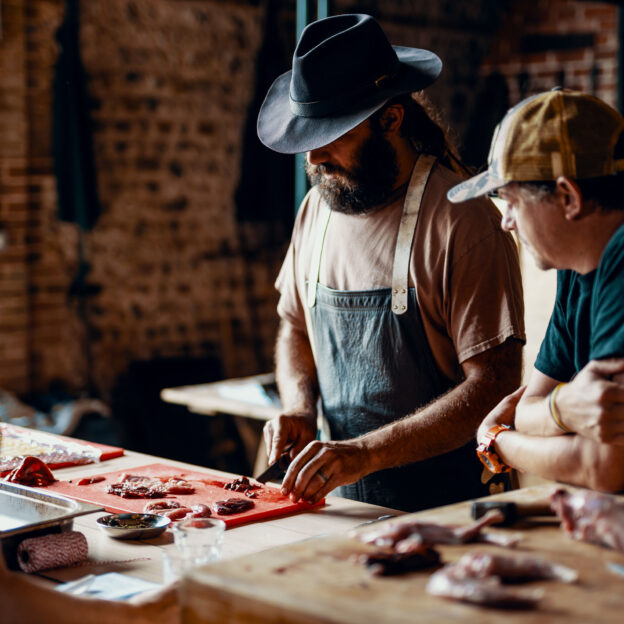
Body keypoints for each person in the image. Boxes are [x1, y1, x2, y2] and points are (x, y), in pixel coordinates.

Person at [256, 13, 525, 512]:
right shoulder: (317, 208)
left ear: (391, 119)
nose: (314, 160)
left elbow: (494, 384)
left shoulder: (461, 221)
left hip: (444, 509)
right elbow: (294, 328)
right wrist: (298, 407)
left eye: (331, 136)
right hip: (336, 504)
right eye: (307, 139)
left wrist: (365, 453)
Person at [447, 88, 624, 492]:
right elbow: (525, 408)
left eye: (509, 200)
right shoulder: (577, 269)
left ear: (568, 197)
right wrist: (562, 409)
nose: (506, 221)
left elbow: (603, 466)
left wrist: (496, 440)